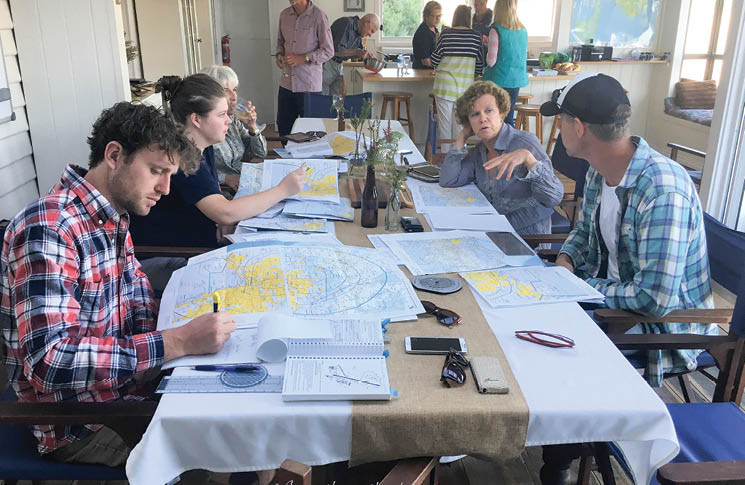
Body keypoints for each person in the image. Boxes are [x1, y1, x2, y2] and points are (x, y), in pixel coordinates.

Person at [0, 102, 236, 467]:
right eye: (156, 170)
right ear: (114, 154)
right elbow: (50, 363)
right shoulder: (49, 228)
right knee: (223, 456)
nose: (165, 188)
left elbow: (138, 291)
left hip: (124, 388)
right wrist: (175, 342)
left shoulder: (110, 213)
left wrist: (167, 350)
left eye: (170, 174)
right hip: (80, 423)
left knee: (235, 408)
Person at [542, 72, 717, 383]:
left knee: (549, 356)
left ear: (579, 127)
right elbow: (582, 234)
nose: (559, 129)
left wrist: (579, 287)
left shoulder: (663, 191)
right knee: (529, 330)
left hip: (661, 328)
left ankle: (594, 426)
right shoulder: (598, 171)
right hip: (610, 305)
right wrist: (565, 261)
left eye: (562, 120)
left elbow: (654, 300)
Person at [129, 74, 305, 291]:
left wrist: (220, 216)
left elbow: (215, 204)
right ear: (196, 119)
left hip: (199, 243)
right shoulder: (183, 156)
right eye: (221, 114)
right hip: (172, 255)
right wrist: (283, 189)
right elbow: (225, 212)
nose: (229, 120)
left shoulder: (204, 146)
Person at [440, 81, 562, 235]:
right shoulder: (479, 152)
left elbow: (553, 197)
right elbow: (448, 180)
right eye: (475, 114)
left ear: (502, 113)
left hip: (530, 237)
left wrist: (530, 160)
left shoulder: (525, 142)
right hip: (495, 230)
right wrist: (462, 137)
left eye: (489, 110)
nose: (482, 119)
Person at [202, 65, 267, 193]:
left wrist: (253, 127)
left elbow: (260, 153)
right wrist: (225, 178)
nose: (234, 97)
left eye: (235, 89)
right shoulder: (202, 128)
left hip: (246, 182)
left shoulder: (233, 120)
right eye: (226, 90)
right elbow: (194, 171)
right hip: (222, 192)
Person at [276, 0, 334, 136]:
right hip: (287, 84)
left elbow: (328, 51)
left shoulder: (319, 16)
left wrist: (304, 58)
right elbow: (280, 42)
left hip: (309, 86)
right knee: (284, 128)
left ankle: (307, 158)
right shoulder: (284, 15)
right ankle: (288, 157)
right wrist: (279, 56)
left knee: (311, 132)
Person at [431, 5, 485, 150]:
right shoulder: (476, 36)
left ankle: (445, 164)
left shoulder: (445, 34)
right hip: (464, 88)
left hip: (444, 86)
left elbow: (434, 60)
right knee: (460, 129)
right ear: (469, 18)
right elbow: (480, 64)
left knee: (444, 128)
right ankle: (458, 163)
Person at [482, 0, 528, 127]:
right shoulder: (523, 30)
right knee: (508, 116)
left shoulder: (496, 30)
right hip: (516, 81)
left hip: (499, 80)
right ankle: (509, 145)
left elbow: (491, 61)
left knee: (495, 118)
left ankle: (495, 146)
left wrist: (489, 47)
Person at [323, 13, 380, 96]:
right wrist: (357, 52)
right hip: (327, 63)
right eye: (371, 31)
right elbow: (336, 51)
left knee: (337, 100)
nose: (370, 35)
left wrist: (366, 56)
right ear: (366, 23)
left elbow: (357, 53)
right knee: (321, 99)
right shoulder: (346, 23)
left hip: (339, 65)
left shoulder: (359, 35)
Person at [412, 1, 442, 70]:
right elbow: (426, 61)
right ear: (426, 16)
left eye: (439, 16)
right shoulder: (422, 33)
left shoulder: (435, 29)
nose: (438, 19)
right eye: (434, 16)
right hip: (422, 73)